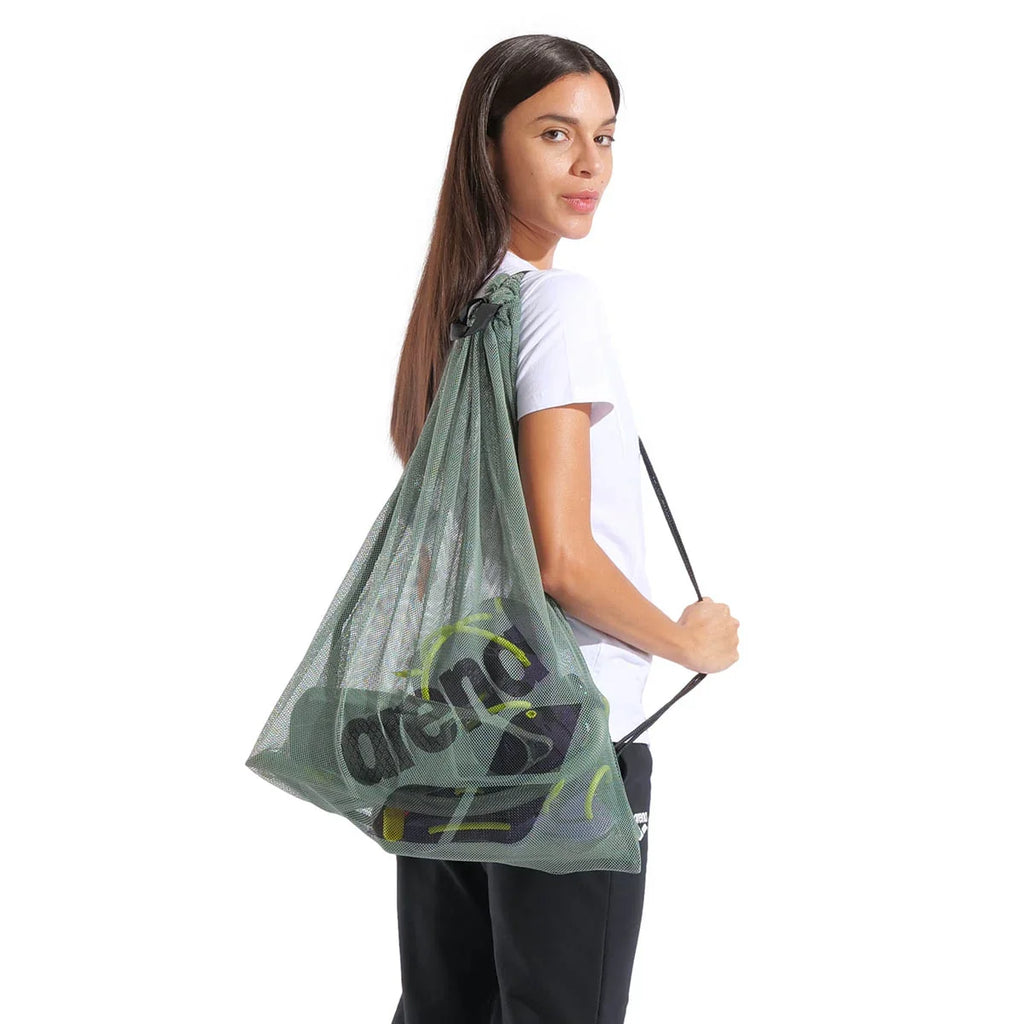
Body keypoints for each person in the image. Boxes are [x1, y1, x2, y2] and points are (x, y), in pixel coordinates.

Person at [388, 34, 740, 1024]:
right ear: (488, 146)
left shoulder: (456, 308)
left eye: (605, 137)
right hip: (560, 738)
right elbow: (563, 561)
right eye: (555, 134)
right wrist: (688, 643)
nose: (589, 164)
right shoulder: (555, 304)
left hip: (451, 722)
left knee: (444, 1010)